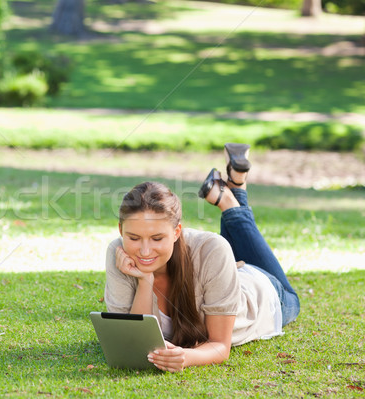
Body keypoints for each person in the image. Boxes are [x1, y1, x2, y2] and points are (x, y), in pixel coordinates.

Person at [104, 143, 300, 372]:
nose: (145, 251)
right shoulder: (119, 253)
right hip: (222, 274)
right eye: (134, 238)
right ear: (121, 231)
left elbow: (219, 346)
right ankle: (235, 185)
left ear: (177, 232)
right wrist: (144, 280)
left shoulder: (212, 249)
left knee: (293, 300)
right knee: (219, 250)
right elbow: (133, 343)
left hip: (265, 293)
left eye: (157, 239)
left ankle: (227, 199)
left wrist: (185, 357)